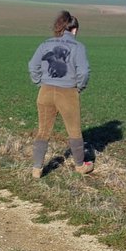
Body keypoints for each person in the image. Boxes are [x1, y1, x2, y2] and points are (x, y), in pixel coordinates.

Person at [28, 10, 92, 178]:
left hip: (45, 91)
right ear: (74, 30)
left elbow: (32, 66)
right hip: (68, 93)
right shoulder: (78, 47)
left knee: (43, 131)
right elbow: (84, 72)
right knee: (74, 131)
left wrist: (38, 82)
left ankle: (36, 169)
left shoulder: (45, 44)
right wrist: (79, 87)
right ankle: (79, 166)